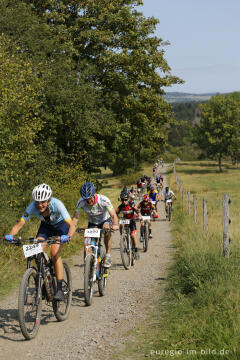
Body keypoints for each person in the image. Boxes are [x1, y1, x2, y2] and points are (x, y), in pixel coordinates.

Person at [4, 183, 74, 301]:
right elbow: (20, 224)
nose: (40, 205)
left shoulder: (57, 204)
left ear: (49, 200)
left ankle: (60, 289)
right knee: (37, 251)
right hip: (46, 226)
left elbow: (71, 224)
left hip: (61, 226)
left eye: (43, 202)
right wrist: (10, 235)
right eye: (37, 202)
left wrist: (68, 236)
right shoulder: (31, 207)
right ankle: (46, 278)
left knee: (54, 252)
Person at [72, 181, 119, 267]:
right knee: (86, 246)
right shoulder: (81, 202)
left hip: (105, 220)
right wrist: (72, 228)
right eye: (86, 199)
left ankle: (108, 255)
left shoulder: (103, 200)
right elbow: (75, 218)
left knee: (107, 230)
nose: (88, 201)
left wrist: (115, 224)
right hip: (93, 223)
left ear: (94, 194)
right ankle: (89, 267)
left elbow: (113, 215)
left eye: (90, 198)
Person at [116, 190, 141, 259]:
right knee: (121, 224)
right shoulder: (121, 206)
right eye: (122, 200)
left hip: (132, 221)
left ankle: (136, 250)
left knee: (133, 236)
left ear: (128, 199)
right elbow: (115, 214)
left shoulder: (131, 204)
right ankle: (122, 236)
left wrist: (139, 215)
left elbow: (137, 210)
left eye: (126, 200)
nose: (124, 201)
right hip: (125, 220)